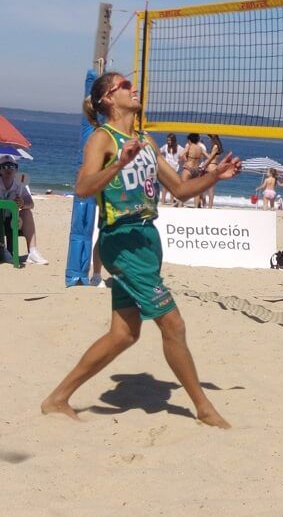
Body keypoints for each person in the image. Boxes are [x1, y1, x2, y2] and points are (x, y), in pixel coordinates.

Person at [41, 71, 242, 428]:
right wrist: (118, 163)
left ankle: (58, 398)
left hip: (147, 238)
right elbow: (84, 187)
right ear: (107, 98)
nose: (135, 90)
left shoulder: (145, 139)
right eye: (125, 86)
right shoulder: (104, 139)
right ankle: (204, 409)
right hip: (122, 240)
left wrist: (215, 176)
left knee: (125, 334)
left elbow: (180, 189)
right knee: (173, 324)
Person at [0, 156, 48, 265]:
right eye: (5, 166)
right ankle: (4, 250)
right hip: (0, 221)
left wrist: (22, 203)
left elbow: (31, 204)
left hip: (14, 221)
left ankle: (32, 251)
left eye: (12, 166)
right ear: (0, 169)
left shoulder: (21, 185)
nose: (9, 169)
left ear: (16, 169)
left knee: (26, 212)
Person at [179, 133, 208, 207]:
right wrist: (203, 166)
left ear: (189, 140)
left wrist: (186, 162)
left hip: (188, 168)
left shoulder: (189, 146)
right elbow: (208, 157)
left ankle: (180, 206)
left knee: (183, 189)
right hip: (196, 170)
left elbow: (181, 155)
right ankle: (196, 207)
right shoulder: (200, 148)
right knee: (196, 192)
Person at [158, 133, 184, 205]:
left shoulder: (179, 147)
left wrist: (181, 160)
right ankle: (163, 201)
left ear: (173, 140)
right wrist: (162, 159)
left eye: (169, 140)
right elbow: (158, 151)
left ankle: (171, 200)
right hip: (167, 168)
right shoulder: (166, 146)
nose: (168, 141)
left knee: (173, 186)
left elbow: (185, 154)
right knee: (165, 185)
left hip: (175, 168)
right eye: (167, 140)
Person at [201, 135, 224, 209]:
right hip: (212, 167)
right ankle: (206, 205)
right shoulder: (216, 147)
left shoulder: (215, 146)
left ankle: (208, 206)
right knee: (206, 188)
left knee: (208, 189)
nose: (209, 140)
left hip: (211, 167)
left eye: (210, 138)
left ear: (213, 138)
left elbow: (210, 158)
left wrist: (204, 165)